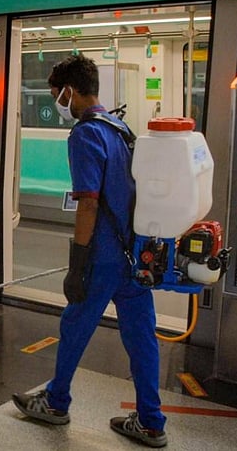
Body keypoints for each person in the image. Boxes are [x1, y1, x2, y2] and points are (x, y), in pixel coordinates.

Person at [12, 54, 167, 448]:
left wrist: (77, 262)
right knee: (141, 337)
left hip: (102, 257)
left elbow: (88, 204)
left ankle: (57, 401)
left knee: (75, 325)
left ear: (70, 91)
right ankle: (151, 422)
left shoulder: (85, 134)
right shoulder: (119, 127)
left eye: (56, 96)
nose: (56, 104)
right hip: (134, 255)